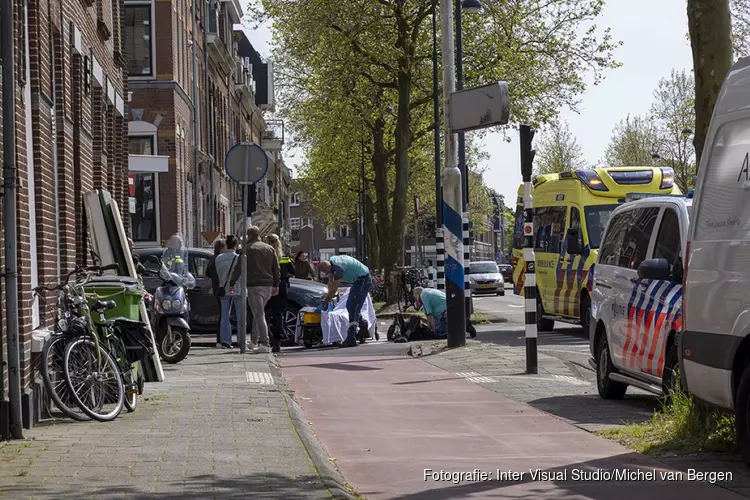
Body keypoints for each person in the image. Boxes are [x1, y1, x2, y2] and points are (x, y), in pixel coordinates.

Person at [229, 226, 280, 353]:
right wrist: (276, 284)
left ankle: (265, 343)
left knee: (258, 314)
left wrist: (231, 283)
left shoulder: (247, 249)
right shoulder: (269, 248)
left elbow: (239, 267)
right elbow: (276, 268)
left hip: (254, 285)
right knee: (259, 313)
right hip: (268, 285)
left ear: (249, 235)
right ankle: (254, 341)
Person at [319, 255, 371, 347]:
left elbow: (334, 288)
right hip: (358, 280)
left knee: (353, 306)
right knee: (350, 306)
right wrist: (328, 297)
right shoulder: (332, 261)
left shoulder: (338, 269)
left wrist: (326, 300)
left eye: (328, 272)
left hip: (363, 279)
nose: (328, 274)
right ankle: (363, 327)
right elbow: (330, 282)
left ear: (330, 268)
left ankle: (352, 336)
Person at [411, 286, 477, 340]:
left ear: (417, 294)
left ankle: (464, 323)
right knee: (449, 330)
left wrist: (434, 331)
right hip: (452, 310)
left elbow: (429, 315)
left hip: (445, 313)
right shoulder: (429, 291)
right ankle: (465, 324)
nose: (417, 300)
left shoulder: (423, 295)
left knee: (440, 335)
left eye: (415, 297)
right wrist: (430, 328)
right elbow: (430, 318)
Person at [266, 235, 296, 353]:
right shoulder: (283, 257)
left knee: (266, 313)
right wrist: (285, 276)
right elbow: (293, 271)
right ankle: (277, 343)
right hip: (282, 286)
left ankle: (265, 339)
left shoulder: (266, 255)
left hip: (269, 285)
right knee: (279, 315)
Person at [215, 236, 241, 349]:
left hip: (224, 288)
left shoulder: (218, 258)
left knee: (225, 316)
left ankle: (225, 341)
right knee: (240, 317)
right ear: (236, 245)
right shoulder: (239, 258)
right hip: (238, 288)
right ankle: (241, 341)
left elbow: (218, 273)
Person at [206, 239, 226, 347]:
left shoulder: (212, 258)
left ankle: (220, 339)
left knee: (222, 313)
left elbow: (207, 273)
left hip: (216, 288)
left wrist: (214, 280)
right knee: (223, 315)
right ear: (222, 248)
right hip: (222, 287)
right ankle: (221, 339)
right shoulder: (220, 259)